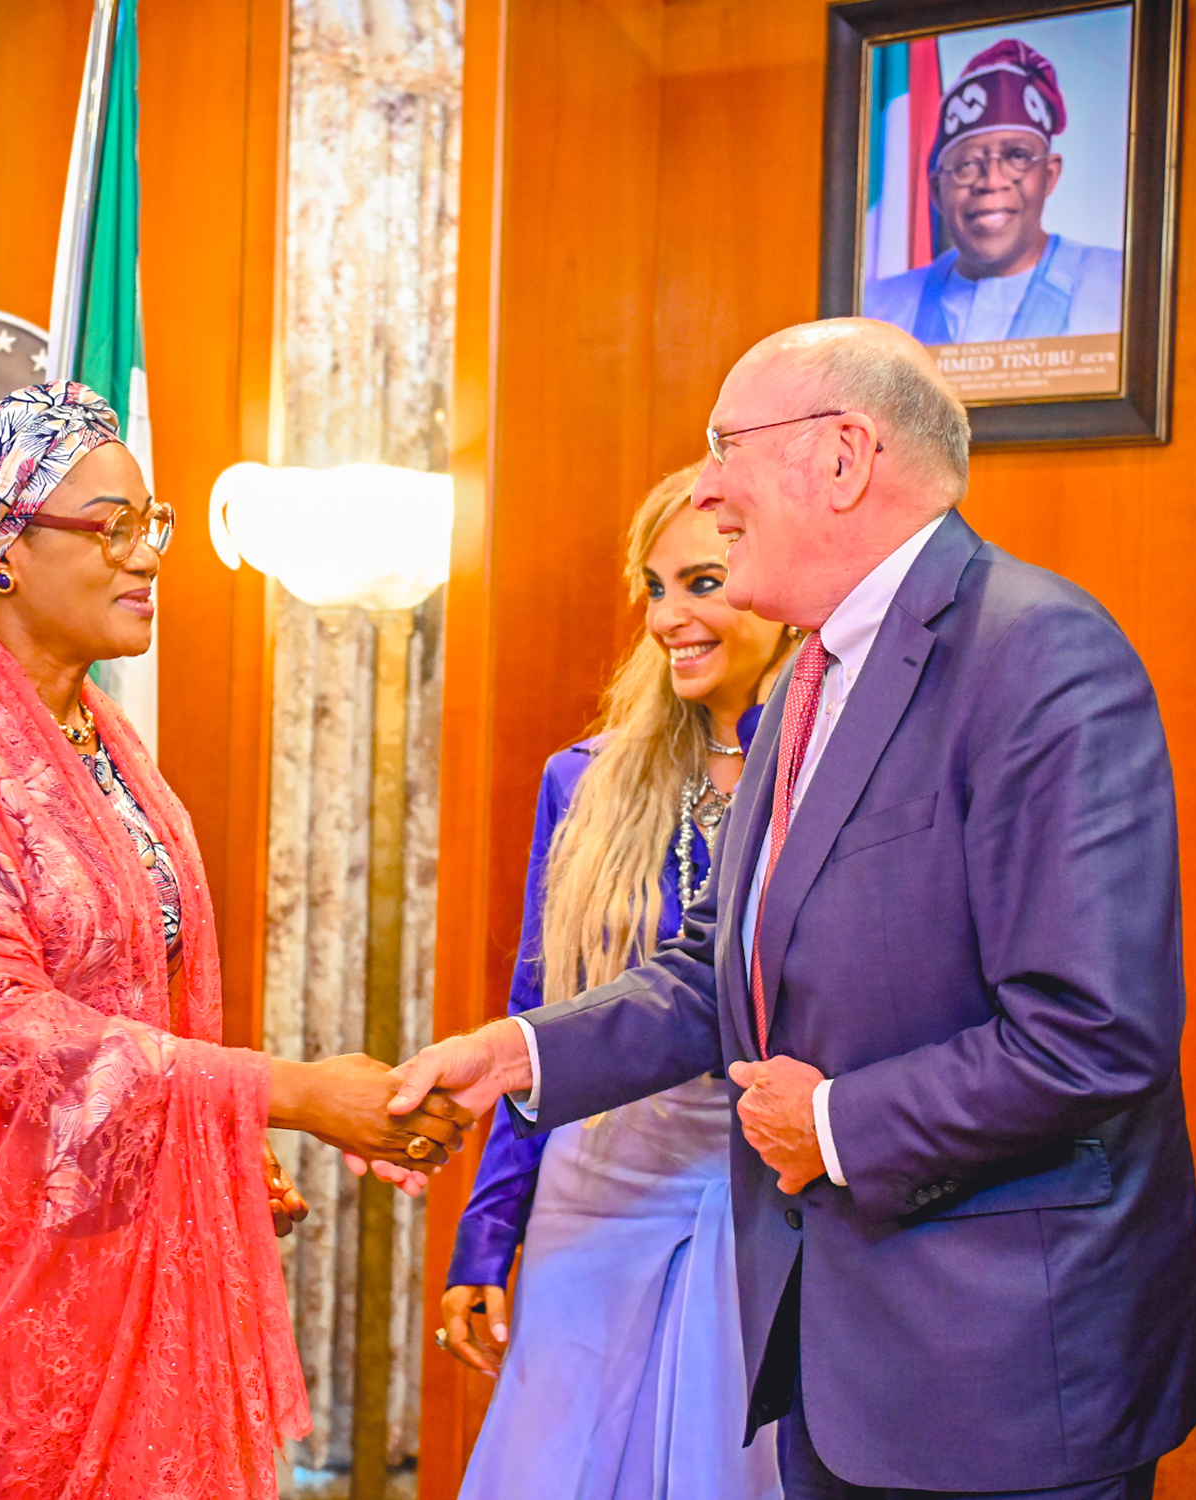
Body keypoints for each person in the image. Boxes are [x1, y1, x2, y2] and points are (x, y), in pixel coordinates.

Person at [386, 320, 1196, 1499]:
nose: (708, 487)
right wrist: (519, 1052)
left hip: (1000, 1376)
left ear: (843, 457)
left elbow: (1094, 1033)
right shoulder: (811, 682)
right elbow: (721, 967)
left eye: (727, 445)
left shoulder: (1039, 656)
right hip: (838, 1365)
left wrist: (834, 1124)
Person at [0, 383, 472, 1500]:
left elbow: (130, 995)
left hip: (62, 1261)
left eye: (150, 522)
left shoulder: (100, 733)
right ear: (5, 552)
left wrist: (211, 1136)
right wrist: (289, 1095)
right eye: (112, 527)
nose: (149, 554)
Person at [438, 467, 795, 1500]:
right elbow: (541, 1020)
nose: (669, 618)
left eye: (703, 583)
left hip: (765, 1197)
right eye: (655, 588)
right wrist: (486, 1238)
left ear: (778, 587)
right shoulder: (584, 781)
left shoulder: (830, 781)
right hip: (596, 1189)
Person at [864, 40, 1124, 345]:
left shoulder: (1122, 288)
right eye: (967, 164)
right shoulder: (877, 314)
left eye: (1017, 156)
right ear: (937, 191)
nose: (991, 181)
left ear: (1049, 175)